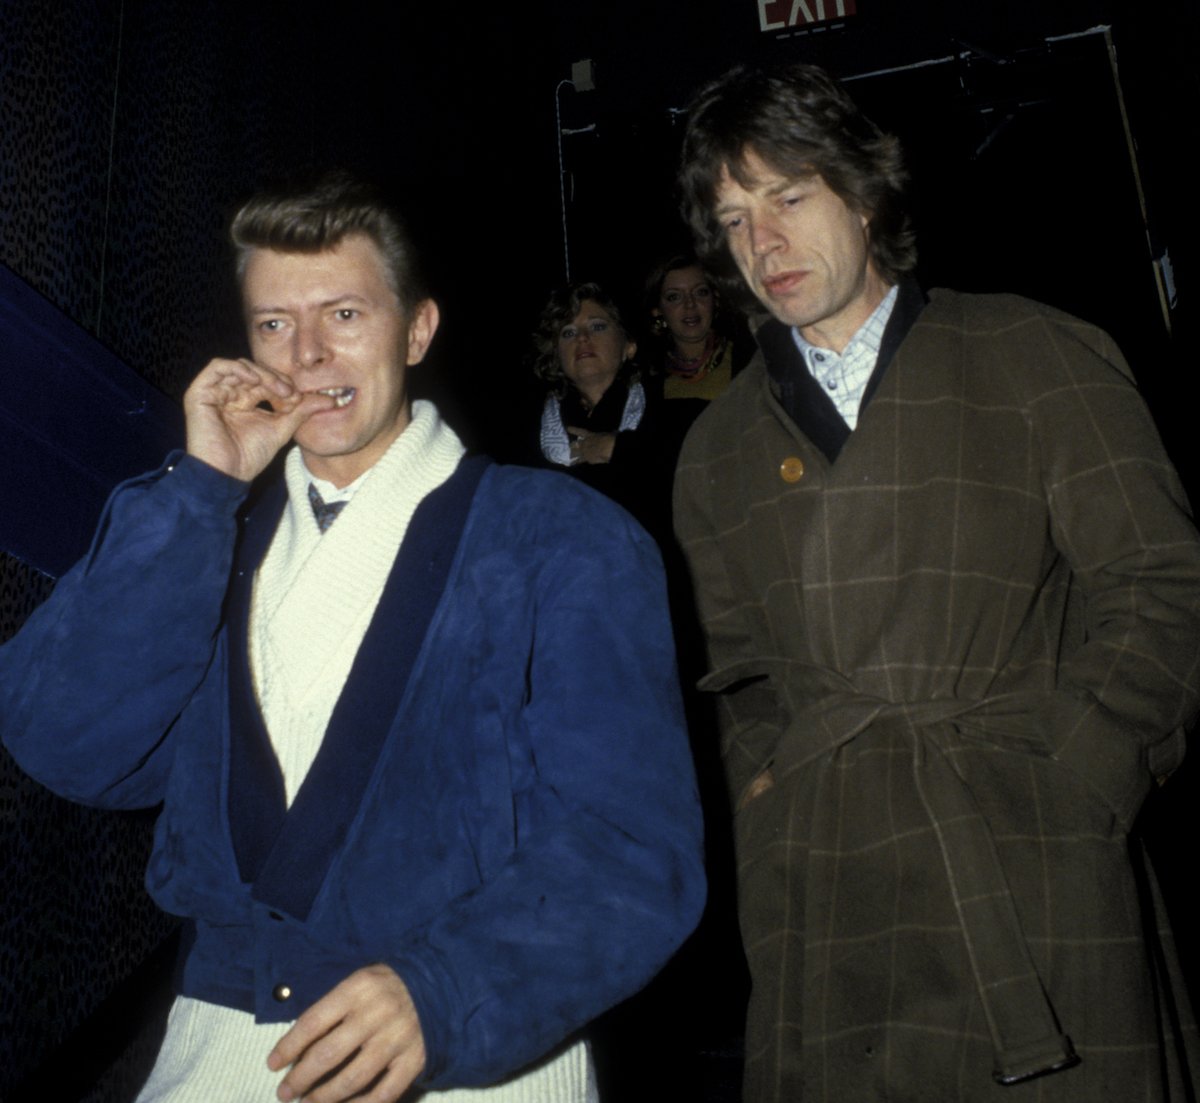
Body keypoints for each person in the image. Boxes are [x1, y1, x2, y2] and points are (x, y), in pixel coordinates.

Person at [0, 174, 705, 1103]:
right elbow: (67, 742)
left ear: (416, 330)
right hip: (221, 1042)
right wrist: (198, 493)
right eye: (274, 326)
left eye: (342, 313)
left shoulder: (561, 537)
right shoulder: (213, 538)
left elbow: (632, 847)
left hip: (473, 1054)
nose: (308, 354)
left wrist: (446, 990)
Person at [673, 61, 1200, 1101]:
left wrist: (1081, 776)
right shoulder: (717, 447)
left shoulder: (1032, 351)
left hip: (1021, 860)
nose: (761, 243)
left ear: (865, 194)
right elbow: (740, 681)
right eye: (734, 219)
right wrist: (771, 822)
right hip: (827, 890)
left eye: (788, 196)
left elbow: (1158, 581)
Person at [529, 282, 683, 547]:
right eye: (568, 332)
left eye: (597, 326)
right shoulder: (525, 427)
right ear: (556, 354)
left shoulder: (670, 410)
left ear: (629, 345)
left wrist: (617, 448)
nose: (582, 338)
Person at [643, 252, 753, 405]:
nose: (690, 304)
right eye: (674, 297)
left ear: (715, 299)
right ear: (657, 309)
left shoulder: (750, 360)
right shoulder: (645, 378)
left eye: (700, 292)